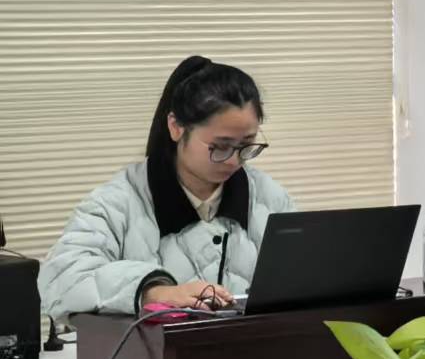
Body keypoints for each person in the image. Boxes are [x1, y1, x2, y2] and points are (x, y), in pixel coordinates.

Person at [38, 57, 294, 321]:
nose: (234, 161)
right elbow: (61, 279)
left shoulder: (269, 197)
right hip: (154, 349)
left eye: (247, 144)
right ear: (176, 127)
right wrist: (152, 292)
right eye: (220, 146)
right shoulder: (119, 201)